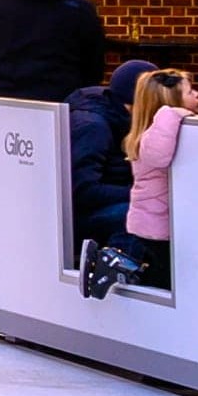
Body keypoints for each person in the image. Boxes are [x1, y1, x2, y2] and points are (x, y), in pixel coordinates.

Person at [100, 69, 194, 295]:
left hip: (153, 221)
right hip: (156, 224)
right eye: (191, 91)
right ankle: (115, 265)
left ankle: (121, 266)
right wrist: (173, 114)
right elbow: (159, 157)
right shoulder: (155, 136)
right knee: (166, 279)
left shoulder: (154, 133)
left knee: (162, 276)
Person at [69, 57, 155, 261]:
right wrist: (139, 194)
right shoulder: (94, 127)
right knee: (144, 213)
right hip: (83, 214)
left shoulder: (114, 117)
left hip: (99, 203)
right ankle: (114, 263)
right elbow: (82, 190)